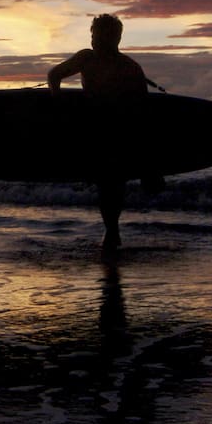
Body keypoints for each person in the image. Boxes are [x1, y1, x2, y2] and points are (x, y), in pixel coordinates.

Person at [48, 14, 161, 251]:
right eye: (93, 35)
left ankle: (112, 231)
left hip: (120, 131)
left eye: (100, 36)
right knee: (107, 183)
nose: (94, 41)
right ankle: (112, 232)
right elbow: (54, 75)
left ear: (116, 38)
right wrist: (58, 106)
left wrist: (148, 155)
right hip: (93, 129)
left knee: (112, 183)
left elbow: (143, 112)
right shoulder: (86, 59)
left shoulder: (130, 68)